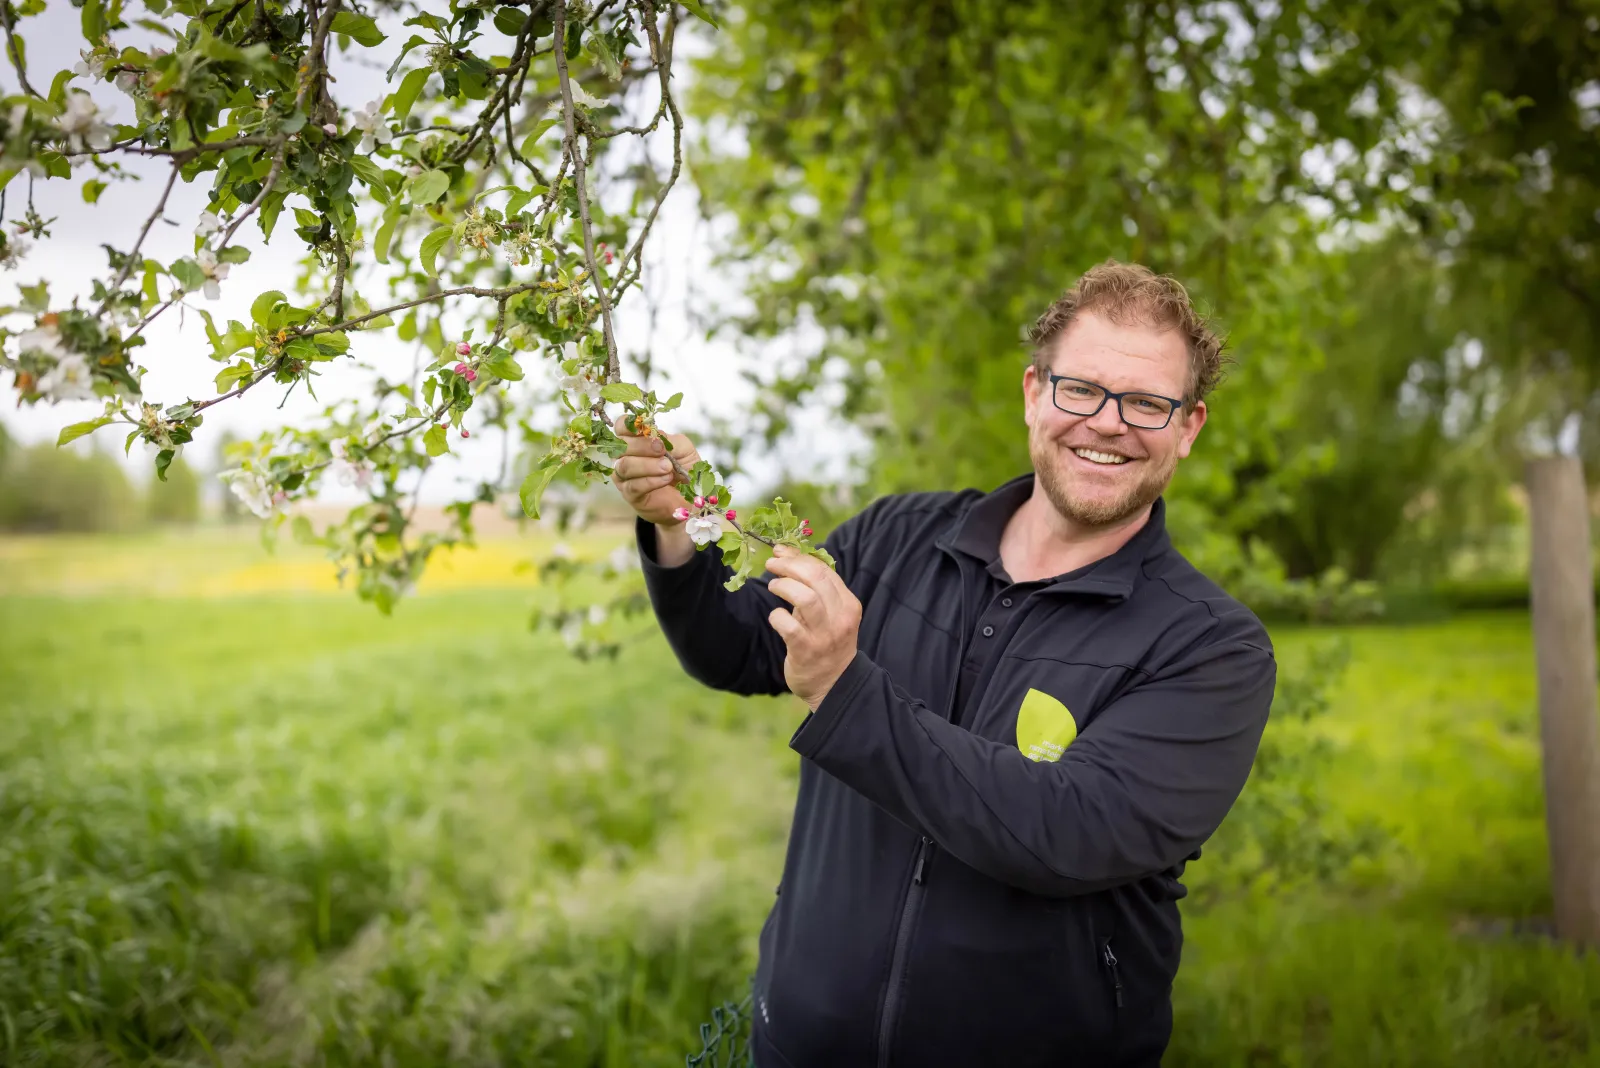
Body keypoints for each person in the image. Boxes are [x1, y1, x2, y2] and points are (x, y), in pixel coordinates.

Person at [612, 261, 1276, 1067]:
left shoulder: (1210, 646)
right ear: (1034, 392)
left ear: (1189, 426)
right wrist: (674, 528)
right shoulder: (897, 537)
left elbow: (1066, 830)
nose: (1108, 423)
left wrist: (844, 691)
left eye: (1146, 403)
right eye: (1081, 390)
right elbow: (738, 647)